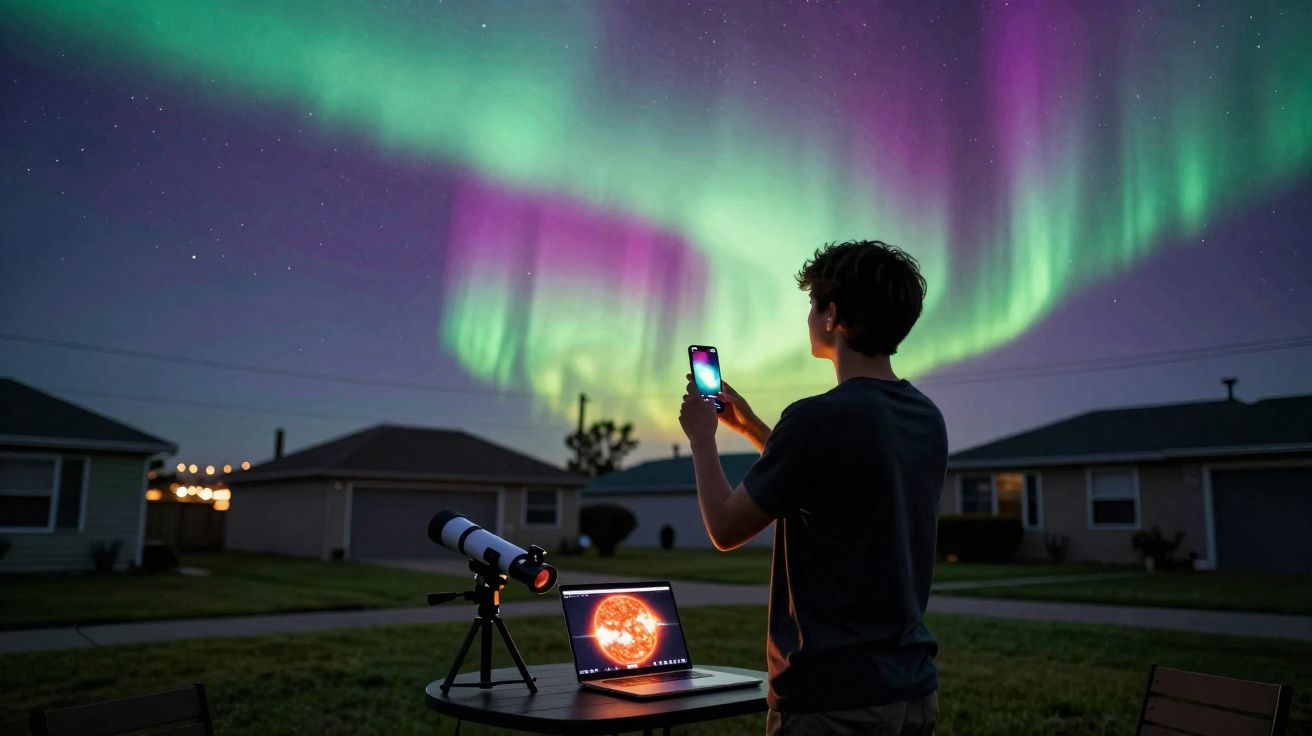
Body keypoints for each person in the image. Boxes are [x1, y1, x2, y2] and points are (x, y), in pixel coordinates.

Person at [678, 240, 946, 736]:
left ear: (833, 315)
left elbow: (724, 527)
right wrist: (756, 427)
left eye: (813, 303)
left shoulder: (815, 419)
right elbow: (834, 480)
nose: (808, 316)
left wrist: (702, 440)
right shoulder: (925, 417)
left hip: (833, 702)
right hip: (912, 693)